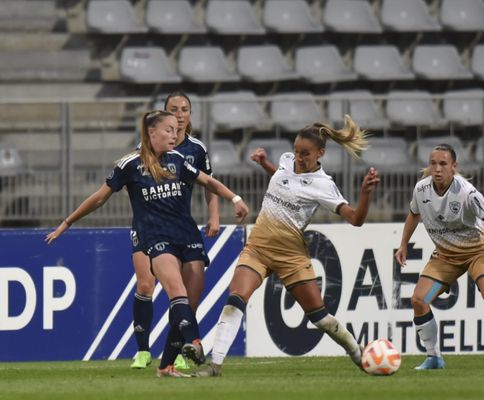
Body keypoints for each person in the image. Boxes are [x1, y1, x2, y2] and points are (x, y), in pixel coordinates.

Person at [45, 110, 249, 378]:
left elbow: (207, 181)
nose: (174, 135)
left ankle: (166, 365)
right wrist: (67, 222)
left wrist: (234, 199)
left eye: (176, 131)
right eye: (168, 130)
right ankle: (195, 342)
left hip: (188, 236)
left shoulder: (178, 160)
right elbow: (98, 198)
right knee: (177, 291)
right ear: (151, 133)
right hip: (157, 239)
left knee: (191, 300)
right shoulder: (129, 165)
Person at [194, 115, 380, 377]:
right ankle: (215, 365)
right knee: (235, 299)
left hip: (291, 255)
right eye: (296, 151)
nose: (298, 157)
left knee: (321, 318)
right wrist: (266, 164)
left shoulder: (324, 185)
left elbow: (356, 219)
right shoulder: (286, 161)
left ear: (320, 153)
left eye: (305, 153)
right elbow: (285, 180)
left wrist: (365, 194)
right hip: (258, 247)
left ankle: (357, 353)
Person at [394, 143, 484, 370]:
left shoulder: (467, 193)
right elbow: (413, 215)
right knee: (418, 301)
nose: (437, 169)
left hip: (477, 252)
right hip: (445, 256)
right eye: (433, 163)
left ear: (454, 166)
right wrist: (403, 245)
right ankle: (434, 358)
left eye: (443, 164)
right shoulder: (421, 190)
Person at [128, 91, 220, 371]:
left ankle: (176, 355)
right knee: (146, 284)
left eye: (184, 109)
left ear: (190, 115)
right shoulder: (148, 147)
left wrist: (214, 216)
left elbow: (209, 184)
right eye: (173, 109)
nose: (179, 114)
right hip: (148, 227)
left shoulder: (196, 149)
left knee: (184, 295)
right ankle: (143, 351)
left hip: (180, 228)